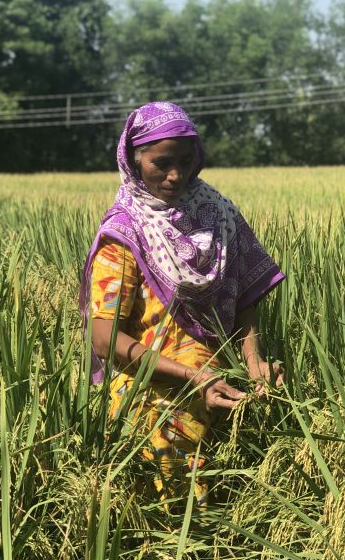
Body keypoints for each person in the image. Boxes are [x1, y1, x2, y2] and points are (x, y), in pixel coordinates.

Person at [80, 102, 285, 505]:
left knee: (242, 495)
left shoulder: (219, 213)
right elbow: (103, 340)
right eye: (162, 163)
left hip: (218, 381)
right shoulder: (124, 235)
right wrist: (192, 378)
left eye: (186, 161)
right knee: (181, 503)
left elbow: (245, 294)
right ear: (135, 160)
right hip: (151, 389)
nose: (176, 174)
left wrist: (254, 363)